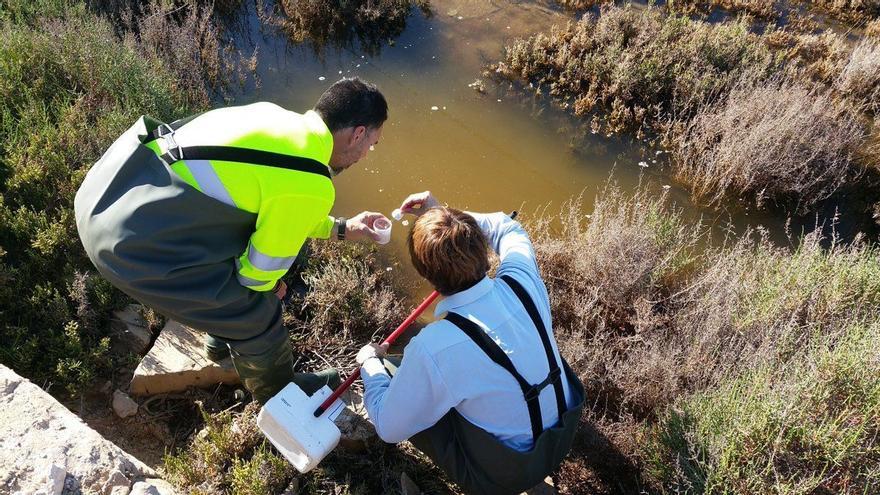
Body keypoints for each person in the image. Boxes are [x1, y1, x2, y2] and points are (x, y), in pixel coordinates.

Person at [74, 77, 389, 403]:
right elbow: (255, 277)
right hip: (123, 242)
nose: (367, 154)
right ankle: (280, 397)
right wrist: (269, 287)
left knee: (237, 240)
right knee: (259, 311)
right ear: (358, 134)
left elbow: (276, 198)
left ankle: (220, 343)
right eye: (372, 144)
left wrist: (342, 227)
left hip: (110, 188)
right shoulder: (312, 180)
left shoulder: (276, 119)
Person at [356, 192, 585, 495]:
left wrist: (368, 361)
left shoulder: (434, 346)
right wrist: (449, 215)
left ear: (425, 273)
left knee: (391, 371)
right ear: (483, 248)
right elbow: (507, 226)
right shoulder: (522, 280)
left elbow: (388, 427)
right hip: (563, 438)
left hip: (506, 478)